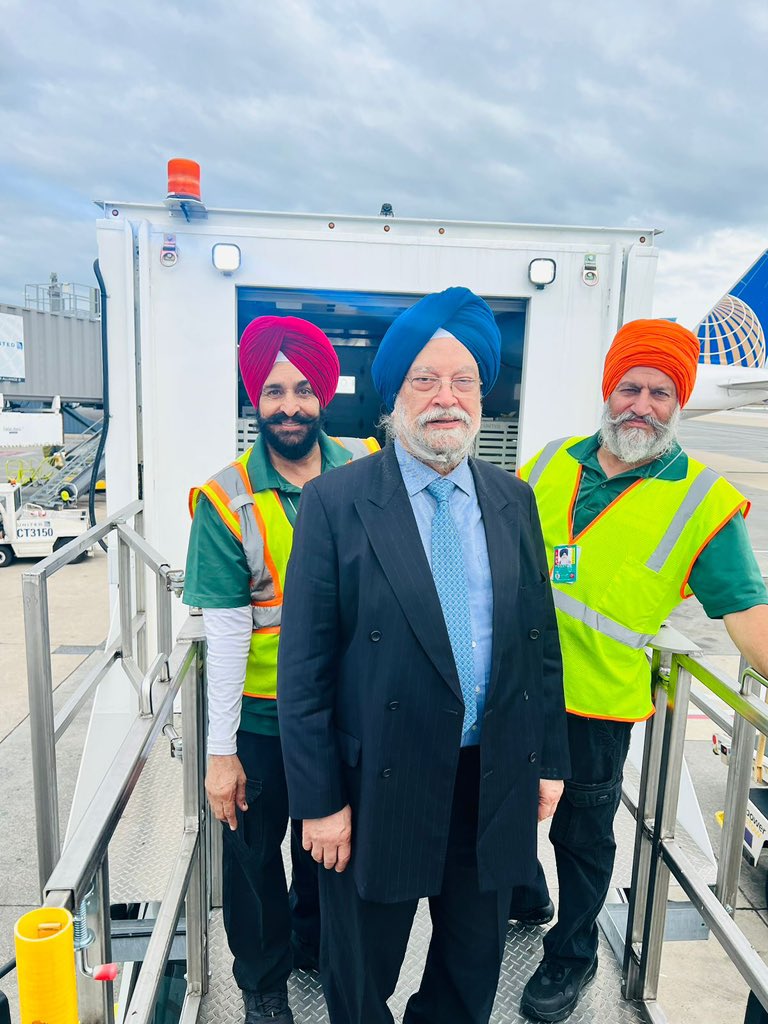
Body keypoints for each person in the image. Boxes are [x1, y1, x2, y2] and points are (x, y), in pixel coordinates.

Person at [277, 287, 571, 1024]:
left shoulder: (514, 499)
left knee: (471, 970)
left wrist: (552, 760)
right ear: (395, 394)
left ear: (483, 394)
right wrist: (318, 804)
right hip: (377, 781)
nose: (447, 398)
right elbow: (304, 673)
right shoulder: (337, 502)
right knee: (361, 970)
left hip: (492, 773)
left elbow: (539, 642)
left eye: (463, 380)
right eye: (425, 379)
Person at [514, 318, 768, 1023]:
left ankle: (571, 957)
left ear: (678, 403)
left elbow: (750, 619)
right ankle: (524, 894)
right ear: (609, 391)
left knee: (583, 836)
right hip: (514, 690)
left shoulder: (703, 501)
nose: (641, 405)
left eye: (660, 392)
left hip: (596, 704)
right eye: (630, 387)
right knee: (500, 809)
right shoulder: (547, 463)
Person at [183, 316, 379, 1024]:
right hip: (262, 716)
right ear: (253, 400)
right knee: (253, 864)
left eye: (302, 389)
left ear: (323, 396)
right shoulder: (227, 498)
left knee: (332, 851)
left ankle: (315, 950)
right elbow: (228, 634)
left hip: (345, 713)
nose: (289, 405)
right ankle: (263, 986)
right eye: (272, 391)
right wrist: (221, 753)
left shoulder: (367, 464)